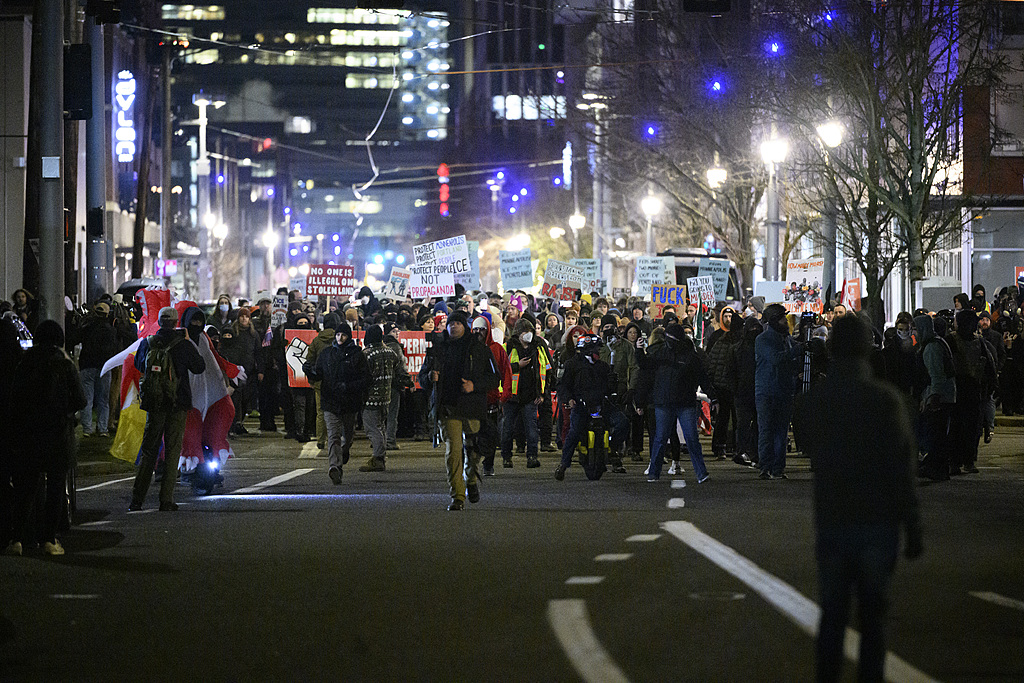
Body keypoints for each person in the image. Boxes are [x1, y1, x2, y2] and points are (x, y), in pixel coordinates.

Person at [794, 315, 922, 683]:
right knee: (874, 615)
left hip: (833, 515)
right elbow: (902, 468)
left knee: (832, 614)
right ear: (868, 348)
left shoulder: (815, 400)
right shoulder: (885, 400)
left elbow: (805, 438)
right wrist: (912, 525)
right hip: (878, 520)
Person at [6, 320, 86, 556]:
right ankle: (49, 540)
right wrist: (65, 411)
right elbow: (80, 400)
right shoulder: (64, 364)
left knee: (26, 489)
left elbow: (14, 400)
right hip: (58, 434)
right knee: (55, 488)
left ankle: (17, 539)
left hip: (28, 434)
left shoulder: (25, 363)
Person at [418, 310, 499, 510]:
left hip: (472, 407)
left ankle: (471, 478)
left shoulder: (479, 349)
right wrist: (430, 378)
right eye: (451, 323)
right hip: (448, 407)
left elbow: (494, 377)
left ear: (465, 326)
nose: (454, 327)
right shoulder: (438, 349)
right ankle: (457, 496)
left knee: (473, 452)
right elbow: (422, 377)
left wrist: (474, 385)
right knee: (453, 451)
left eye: (458, 324)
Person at [129, 307, 206, 512]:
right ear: (175, 322)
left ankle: (137, 499)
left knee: (149, 450)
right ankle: (166, 499)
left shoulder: (148, 343)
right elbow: (199, 367)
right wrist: (188, 342)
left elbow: (138, 364)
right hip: (177, 402)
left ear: (160, 322)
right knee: (172, 450)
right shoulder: (183, 344)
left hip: (154, 403)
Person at [637, 323, 717, 482]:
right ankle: (699, 473)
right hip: (674, 402)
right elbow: (645, 365)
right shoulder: (677, 354)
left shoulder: (679, 355)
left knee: (677, 438)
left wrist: (713, 397)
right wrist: (639, 351)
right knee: (669, 438)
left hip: (675, 402)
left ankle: (656, 473)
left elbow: (703, 378)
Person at [554, 334, 629, 481]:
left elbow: (610, 389)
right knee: (574, 432)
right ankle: (563, 465)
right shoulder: (572, 365)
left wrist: (614, 386)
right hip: (581, 405)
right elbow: (563, 385)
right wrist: (569, 399)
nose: (598, 352)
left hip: (602, 404)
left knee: (623, 422)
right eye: (595, 349)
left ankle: (612, 449)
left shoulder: (603, 366)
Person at [307, 322, 369, 484]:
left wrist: (348, 386)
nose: (340, 338)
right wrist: (310, 371)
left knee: (347, 436)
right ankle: (335, 466)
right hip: (330, 401)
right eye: (338, 335)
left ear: (348, 336)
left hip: (349, 402)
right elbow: (319, 373)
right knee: (333, 435)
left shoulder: (356, 354)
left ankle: (344, 451)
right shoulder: (327, 353)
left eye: (343, 335)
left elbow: (365, 379)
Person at [755, 304, 803, 479]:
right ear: (775, 320)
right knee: (766, 431)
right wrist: (796, 351)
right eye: (783, 318)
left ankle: (778, 469)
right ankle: (765, 468)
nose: (786, 321)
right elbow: (776, 358)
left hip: (783, 391)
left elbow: (791, 363)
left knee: (781, 433)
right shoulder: (763, 340)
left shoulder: (787, 339)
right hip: (766, 392)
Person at [500, 318, 551, 469]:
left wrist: (542, 394)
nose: (528, 335)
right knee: (508, 429)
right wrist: (517, 366)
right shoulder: (508, 347)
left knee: (532, 429)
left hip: (531, 396)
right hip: (511, 396)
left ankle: (532, 457)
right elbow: (501, 368)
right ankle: (506, 457)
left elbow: (547, 371)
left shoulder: (538, 348)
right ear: (518, 333)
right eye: (524, 332)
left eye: (529, 332)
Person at [913, 314, 956, 481]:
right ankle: (937, 467)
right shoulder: (937, 342)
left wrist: (933, 398)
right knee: (938, 435)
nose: (914, 332)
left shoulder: (931, 347)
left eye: (916, 328)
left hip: (939, 397)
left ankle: (937, 469)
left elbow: (936, 375)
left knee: (936, 435)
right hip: (943, 395)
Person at [598, 313, 638, 473]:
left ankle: (615, 455)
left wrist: (631, 389)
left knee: (622, 425)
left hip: (620, 394)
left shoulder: (626, 346)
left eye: (611, 327)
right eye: (605, 327)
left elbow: (634, 368)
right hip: (600, 395)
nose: (609, 330)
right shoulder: (597, 346)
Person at [472, 315, 512, 477]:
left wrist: (504, 397)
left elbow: (506, 373)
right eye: (475, 329)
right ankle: (472, 463)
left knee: (490, 434)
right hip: (472, 400)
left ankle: (488, 464)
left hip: (491, 400)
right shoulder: (468, 349)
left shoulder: (497, 349)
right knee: (472, 435)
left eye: (482, 329)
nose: (479, 333)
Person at [358, 325, 401, 473]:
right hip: (386, 396)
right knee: (381, 426)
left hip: (371, 397)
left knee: (372, 428)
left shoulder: (367, 354)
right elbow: (398, 370)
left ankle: (378, 458)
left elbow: (363, 376)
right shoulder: (391, 352)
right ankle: (380, 456)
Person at [72, 301, 118, 437]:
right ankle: (102, 428)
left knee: (88, 398)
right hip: (104, 366)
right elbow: (114, 348)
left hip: (87, 365)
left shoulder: (87, 327)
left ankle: (87, 429)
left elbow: (75, 339)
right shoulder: (111, 330)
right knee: (103, 399)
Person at [220, 307, 261, 435]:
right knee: (236, 399)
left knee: (246, 399)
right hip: (235, 371)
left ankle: (240, 421)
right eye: (242, 316)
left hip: (249, 371)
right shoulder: (233, 331)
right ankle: (234, 423)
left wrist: (260, 370)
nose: (244, 319)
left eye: (246, 316)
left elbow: (259, 353)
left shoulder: (253, 334)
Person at [305, 312, 342, 449]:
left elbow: (309, 361)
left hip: (321, 381)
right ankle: (336, 438)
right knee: (338, 411)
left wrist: (311, 379)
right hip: (338, 382)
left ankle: (320, 440)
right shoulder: (340, 339)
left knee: (321, 412)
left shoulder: (316, 340)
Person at [383, 322, 414, 451]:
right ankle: (390, 441)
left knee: (381, 415)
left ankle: (379, 440)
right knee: (392, 414)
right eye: (393, 331)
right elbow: (401, 367)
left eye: (397, 331)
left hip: (380, 384)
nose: (396, 333)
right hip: (394, 385)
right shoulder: (395, 347)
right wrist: (409, 382)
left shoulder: (380, 345)